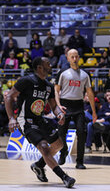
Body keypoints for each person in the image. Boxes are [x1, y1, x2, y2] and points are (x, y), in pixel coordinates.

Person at [5, 57, 75, 188]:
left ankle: (38, 165)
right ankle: (64, 177)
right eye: (47, 63)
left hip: (40, 118)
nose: (51, 65)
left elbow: (54, 106)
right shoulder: (26, 81)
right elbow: (9, 96)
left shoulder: (48, 85)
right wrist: (11, 118)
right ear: (39, 67)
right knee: (43, 147)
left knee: (58, 144)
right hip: (25, 120)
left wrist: (59, 113)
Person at [55, 49, 97, 169]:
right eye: (72, 57)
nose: (74, 59)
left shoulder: (85, 74)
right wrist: (58, 105)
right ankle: (63, 152)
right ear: (67, 58)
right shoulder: (62, 73)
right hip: (64, 105)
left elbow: (90, 94)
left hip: (79, 106)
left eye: (76, 57)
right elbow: (56, 91)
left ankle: (79, 161)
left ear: (79, 57)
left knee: (81, 133)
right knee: (61, 133)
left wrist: (94, 112)